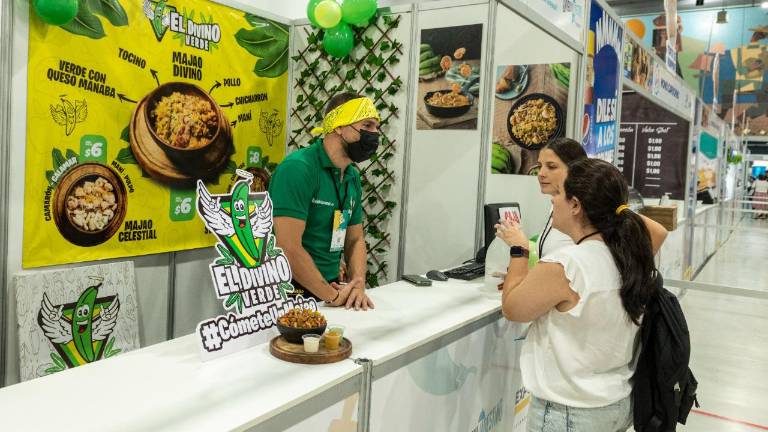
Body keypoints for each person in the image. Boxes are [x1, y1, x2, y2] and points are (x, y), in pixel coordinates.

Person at [495, 159, 657, 431]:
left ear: (575, 205)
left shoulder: (567, 264)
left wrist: (519, 250)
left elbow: (513, 308)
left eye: (558, 194)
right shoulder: (628, 257)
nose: (552, 201)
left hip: (569, 412)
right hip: (614, 404)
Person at [269, 93, 377, 310]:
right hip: (289, 290)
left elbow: (355, 239)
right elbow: (287, 247)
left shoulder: (351, 176)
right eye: (367, 125)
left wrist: (357, 285)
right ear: (338, 126)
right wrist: (332, 297)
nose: (375, 133)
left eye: (376, 127)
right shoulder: (298, 169)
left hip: (331, 288)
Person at [536, 138, 668, 258]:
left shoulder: (594, 205)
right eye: (539, 166)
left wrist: (630, 275)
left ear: (575, 169)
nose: (541, 173)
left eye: (551, 167)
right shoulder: (556, 204)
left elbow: (658, 233)